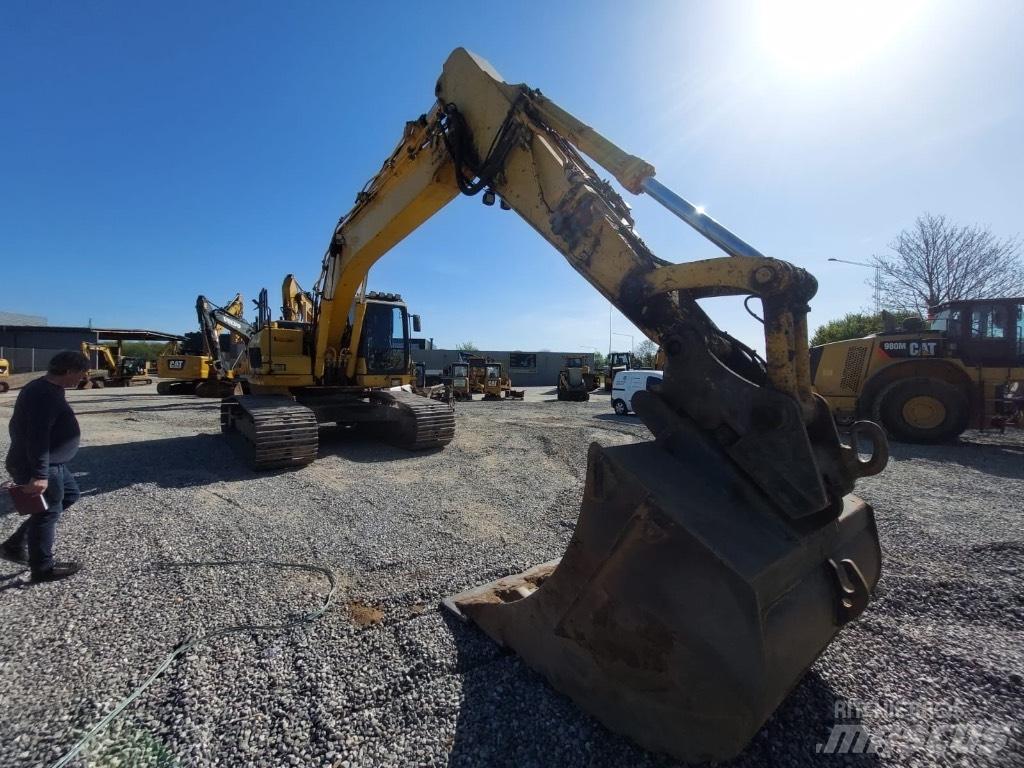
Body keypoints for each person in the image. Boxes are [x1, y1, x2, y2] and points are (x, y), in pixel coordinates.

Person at [1, 349, 90, 582]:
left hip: (52, 463)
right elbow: (37, 438)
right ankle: (43, 568)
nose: (83, 378)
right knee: (47, 512)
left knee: (70, 495)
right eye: (81, 373)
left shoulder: (47, 387)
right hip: (41, 465)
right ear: (69, 371)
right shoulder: (44, 395)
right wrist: (39, 474)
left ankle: (14, 544)